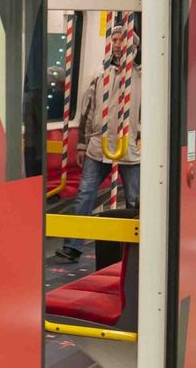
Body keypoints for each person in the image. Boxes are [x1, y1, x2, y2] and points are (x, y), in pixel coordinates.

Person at [54, 26, 140, 262]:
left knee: (135, 198)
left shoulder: (142, 77)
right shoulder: (99, 76)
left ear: (133, 46)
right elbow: (88, 112)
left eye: (121, 41)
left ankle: (134, 249)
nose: (117, 45)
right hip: (98, 144)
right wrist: (82, 144)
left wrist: (142, 139)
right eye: (114, 40)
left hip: (130, 145)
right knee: (85, 193)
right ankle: (73, 246)